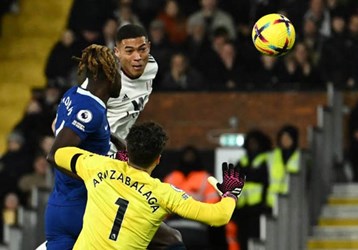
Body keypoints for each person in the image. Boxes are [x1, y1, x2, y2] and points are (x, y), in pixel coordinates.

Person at [52, 121, 245, 249]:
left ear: (129, 150)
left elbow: (58, 154)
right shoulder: (163, 193)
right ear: (158, 160)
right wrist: (231, 194)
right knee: (173, 239)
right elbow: (219, 217)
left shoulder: (99, 166)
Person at [44, 44, 121, 250]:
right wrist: (96, 178)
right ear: (106, 75)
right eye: (117, 72)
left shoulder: (73, 94)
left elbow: (56, 126)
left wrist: (109, 138)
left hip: (58, 206)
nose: (120, 78)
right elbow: (56, 155)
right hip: (82, 209)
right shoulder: (91, 110)